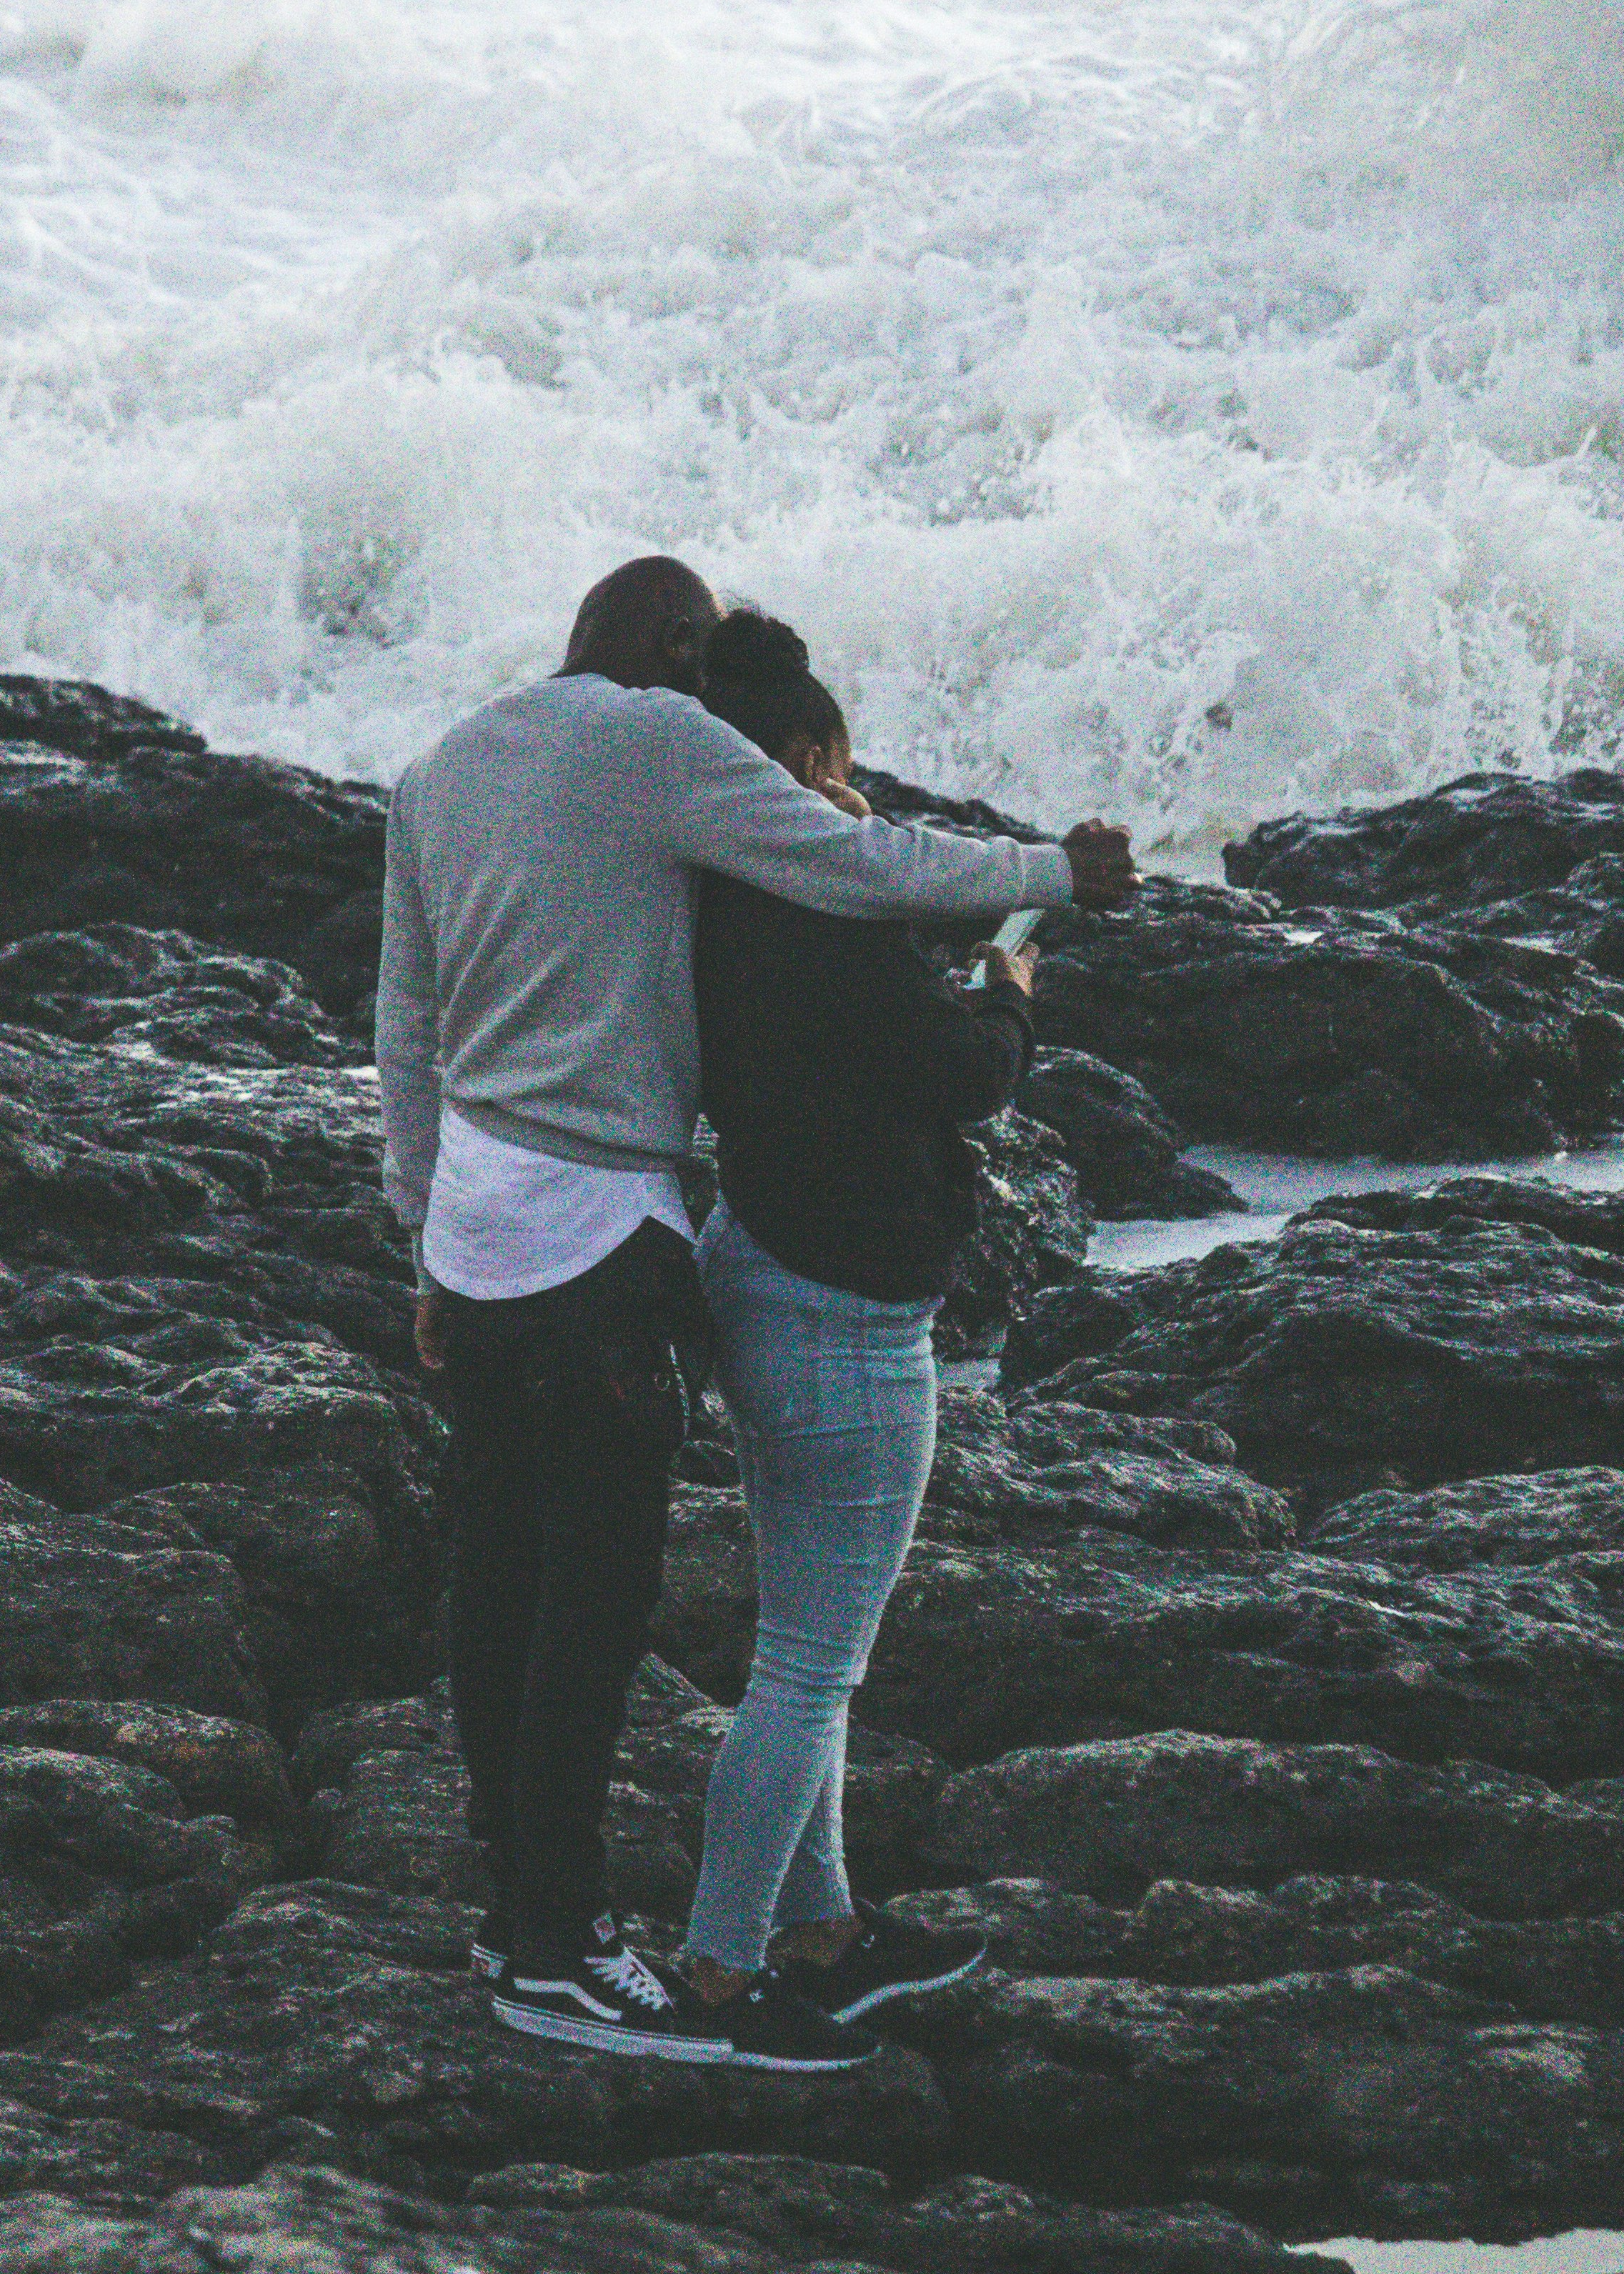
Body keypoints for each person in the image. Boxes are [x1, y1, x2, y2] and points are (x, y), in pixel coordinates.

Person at [376, 555, 1135, 2069]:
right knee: (588, 1619)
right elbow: (854, 864)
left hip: (479, 1229)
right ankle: (563, 1954)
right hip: (596, 1242)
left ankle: (535, 1917)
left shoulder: (441, 763)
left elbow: (405, 1025)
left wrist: (420, 1240)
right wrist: (1055, 872)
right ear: (668, 647)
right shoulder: (653, 737)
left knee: (498, 1594)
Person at [677, 613, 1030, 2055]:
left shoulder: (711, 893)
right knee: (809, 1666)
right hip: (843, 1317)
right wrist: (1010, 996)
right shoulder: (831, 909)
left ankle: (824, 1928)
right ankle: (717, 1972)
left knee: (800, 1641)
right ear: (815, 756)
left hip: (757, 1264)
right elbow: (954, 1072)